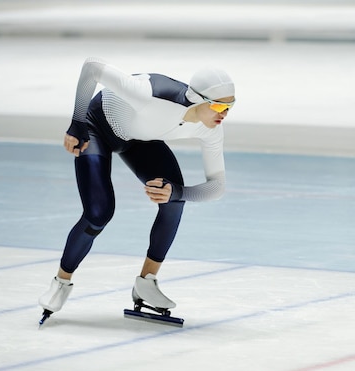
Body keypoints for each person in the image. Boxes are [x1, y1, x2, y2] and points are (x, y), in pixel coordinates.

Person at [38, 57, 235, 321]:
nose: (224, 113)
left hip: (139, 139)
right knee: (99, 213)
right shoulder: (150, 94)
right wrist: (77, 123)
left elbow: (217, 187)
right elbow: (92, 68)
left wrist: (177, 192)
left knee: (174, 200)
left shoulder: (211, 129)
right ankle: (61, 283)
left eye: (230, 106)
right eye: (219, 105)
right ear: (198, 99)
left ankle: (146, 283)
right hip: (98, 127)